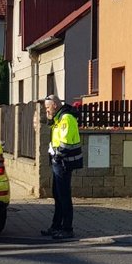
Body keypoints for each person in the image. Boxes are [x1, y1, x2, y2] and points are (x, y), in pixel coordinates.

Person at [41, 94, 83, 241]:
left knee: (64, 196)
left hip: (64, 162)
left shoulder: (66, 118)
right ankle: (56, 226)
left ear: (55, 105)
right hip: (58, 162)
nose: (46, 111)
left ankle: (67, 228)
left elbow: (65, 142)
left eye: (47, 108)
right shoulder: (59, 118)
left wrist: (57, 155)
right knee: (57, 195)